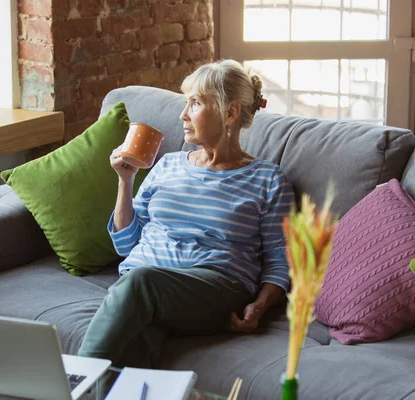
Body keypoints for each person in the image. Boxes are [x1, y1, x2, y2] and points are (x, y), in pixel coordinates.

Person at [77, 59, 296, 368]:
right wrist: (124, 182)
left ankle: (74, 380)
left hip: (216, 288)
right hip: (145, 289)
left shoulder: (267, 180)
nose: (182, 114)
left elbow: (280, 258)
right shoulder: (166, 165)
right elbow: (126, 245)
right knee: (135, 347)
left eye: (194, 103)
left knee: (141, 284)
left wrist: (258, 307)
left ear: (230, 113)